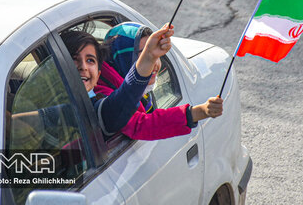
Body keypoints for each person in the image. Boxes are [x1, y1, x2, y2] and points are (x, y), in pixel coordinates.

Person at [95, 21, 223, 140]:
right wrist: (198, 112)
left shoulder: (127, 82)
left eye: (158, 56)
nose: (155, 63)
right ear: (123, 57)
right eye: (146, 55)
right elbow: (141, 125)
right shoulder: (102, 92)